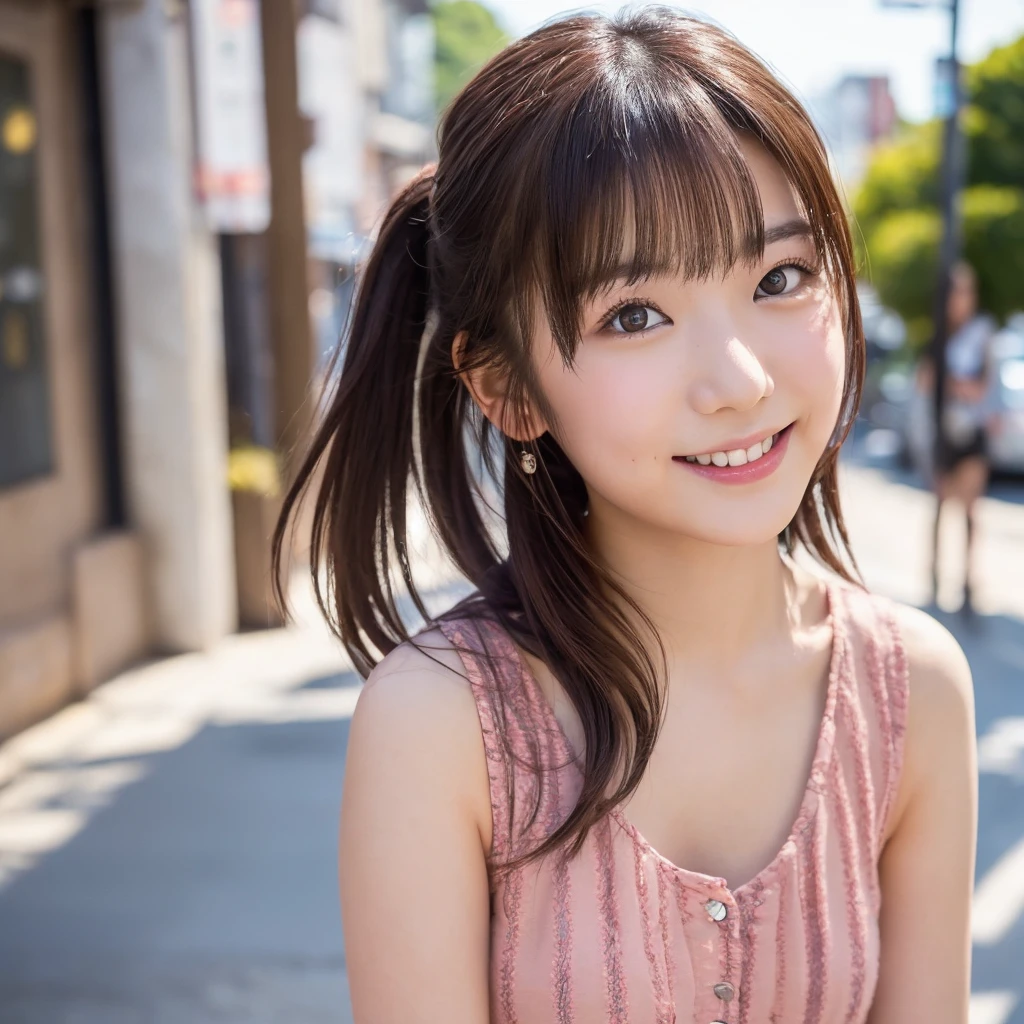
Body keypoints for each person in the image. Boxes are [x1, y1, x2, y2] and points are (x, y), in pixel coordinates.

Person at [274, 10, 977, 1023]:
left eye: (780, 277)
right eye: (633, 315)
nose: (736, 381)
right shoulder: (442, 727)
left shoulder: (909, 694)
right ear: (507, 387)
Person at [917, 261, 996, 616]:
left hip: (971, 434)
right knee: (938, 505)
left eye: (967, 291)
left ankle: (966, 583)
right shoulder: (937, 338)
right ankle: (933, 578)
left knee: (969, 510)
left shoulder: (981, 335)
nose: (962, 299)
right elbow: (923, 383)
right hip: (941, 434)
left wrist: (951, 385)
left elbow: (983, 389)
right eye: (957, 291)